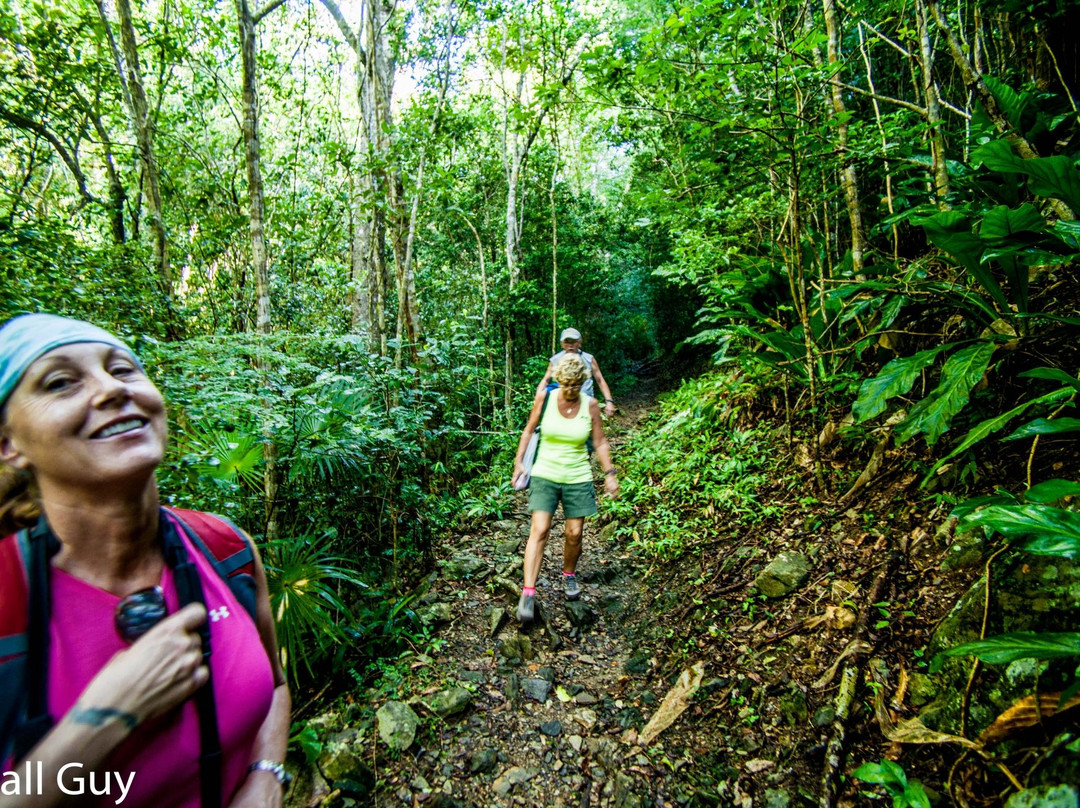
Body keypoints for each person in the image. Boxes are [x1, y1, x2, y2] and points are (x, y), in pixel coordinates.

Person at [0, 313, 291, 808]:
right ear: (10, 444)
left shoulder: (225, 548)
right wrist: (107, 715)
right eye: (61, 382)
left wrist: (267, 776)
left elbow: (275, 687)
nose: (110, 389)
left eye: (124, 369)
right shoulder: (11, 595)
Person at [512, 354, 619, 622]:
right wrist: (519, 462)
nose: (570, 390)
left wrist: (610, 474)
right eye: (566, 385)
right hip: (545, 473)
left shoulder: (590, 405)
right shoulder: (546, 398)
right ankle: (528, 592)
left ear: (582, 383)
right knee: (540, 529)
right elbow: (528, 430)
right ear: (559, 381)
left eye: (575, 385)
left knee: (574, 533)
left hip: (577, 475)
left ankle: (569, 574)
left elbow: (600, 441)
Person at [535, 328, 617, 418]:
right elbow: (545, 380)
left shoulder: (588, 359)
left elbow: (600, 380)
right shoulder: (555, 360)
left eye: (573, 341)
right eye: (567, 342)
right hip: (563, 406)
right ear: (562, 344)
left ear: (579, 343)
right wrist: (538, 399)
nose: (570, 345)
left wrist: (609, 401)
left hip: (586, 405)